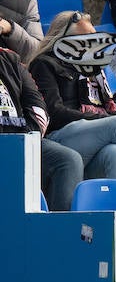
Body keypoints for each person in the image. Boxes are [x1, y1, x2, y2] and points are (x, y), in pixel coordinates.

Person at [29, 12, 116, 223]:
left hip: (88, 139)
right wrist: (99, 120)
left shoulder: (92, 69)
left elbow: (108, 108)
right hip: (60, 138)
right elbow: (53, 112)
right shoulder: (45, 63)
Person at [0, 29, 86, 213]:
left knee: (68, 159)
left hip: (22, 141)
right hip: (12, 139)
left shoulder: (11, 61)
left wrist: (19, 138)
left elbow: (38, 110)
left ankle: (60, 237)